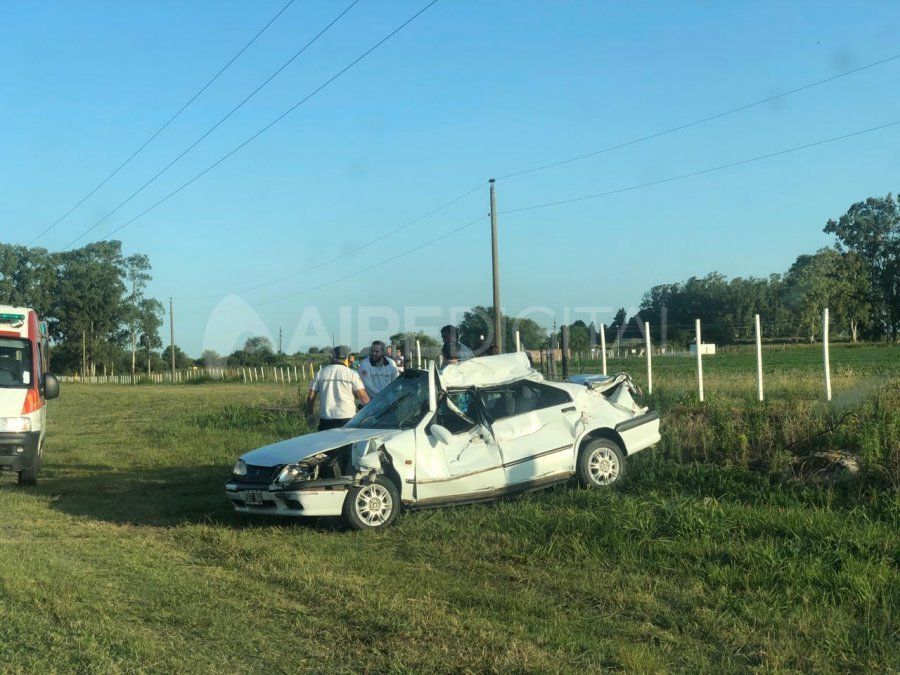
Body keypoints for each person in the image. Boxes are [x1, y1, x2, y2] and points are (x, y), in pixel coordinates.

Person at [306, 346, 369, 431]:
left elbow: (311, 396)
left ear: (332, 357)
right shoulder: (352, 374)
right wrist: (371, 414)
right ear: (346, 358)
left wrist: (310, 415)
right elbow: (363, 397)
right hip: (348, 419)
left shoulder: (321, 373)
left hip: (326, 420)